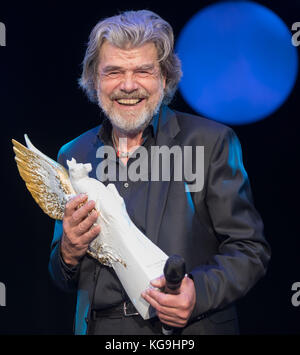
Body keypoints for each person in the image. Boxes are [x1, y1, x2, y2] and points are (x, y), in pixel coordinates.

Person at [48, 10, 271, 335]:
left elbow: (250, 250)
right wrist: (68, 251)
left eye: (143, 70)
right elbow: (60, 273)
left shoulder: (211, 142)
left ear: (164, 78)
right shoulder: (73, 154)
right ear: (95, 80)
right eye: (113, 72)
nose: (127, 85)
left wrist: (197, 292)